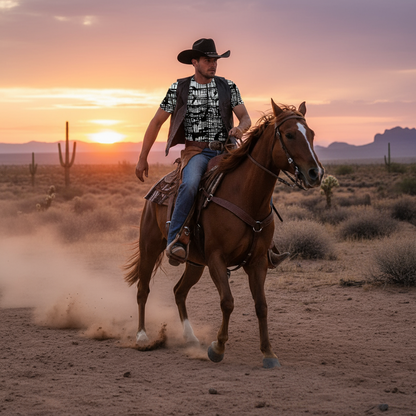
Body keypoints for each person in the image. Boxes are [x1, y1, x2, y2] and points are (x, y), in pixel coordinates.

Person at [136, 38, 289, 268]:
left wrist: (241, 128)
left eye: (215, 60)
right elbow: (157, 122)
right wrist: (142, 157)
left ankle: (265, 246)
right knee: (189, 184)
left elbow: (245, 117)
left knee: (256, 181)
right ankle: (176, 240)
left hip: (227, 150)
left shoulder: (228, 87)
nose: (213, 65)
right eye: (208, 60)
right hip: (196, 152)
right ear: (195, 62)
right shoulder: (179, 88)